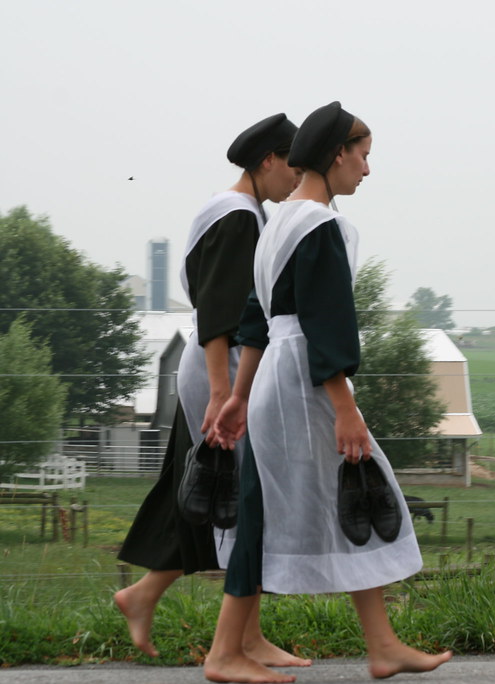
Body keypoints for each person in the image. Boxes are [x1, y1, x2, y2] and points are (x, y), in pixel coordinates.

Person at [206, 101, 452, 682]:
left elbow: (253, 319)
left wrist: (240, 397)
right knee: (358, 487)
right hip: (305, 383)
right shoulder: (320, 225)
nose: (367, 170)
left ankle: (383, 646)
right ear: (336, 154)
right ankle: (224, 654)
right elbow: (326, 321)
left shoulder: (278, 223)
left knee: (350, 500)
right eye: (363, 156)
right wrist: (346, 410)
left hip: (274, 381)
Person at [115, 114, 303, 662]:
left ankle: (147, 596)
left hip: (213, 364)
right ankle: (241, 638)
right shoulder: (239, 218)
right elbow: (220, 310)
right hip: (220, 368)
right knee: (242, 493)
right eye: (292, 164)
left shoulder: (231, 211)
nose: (297, 177)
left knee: (204, 487)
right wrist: (223, 394)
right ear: (268, 159)